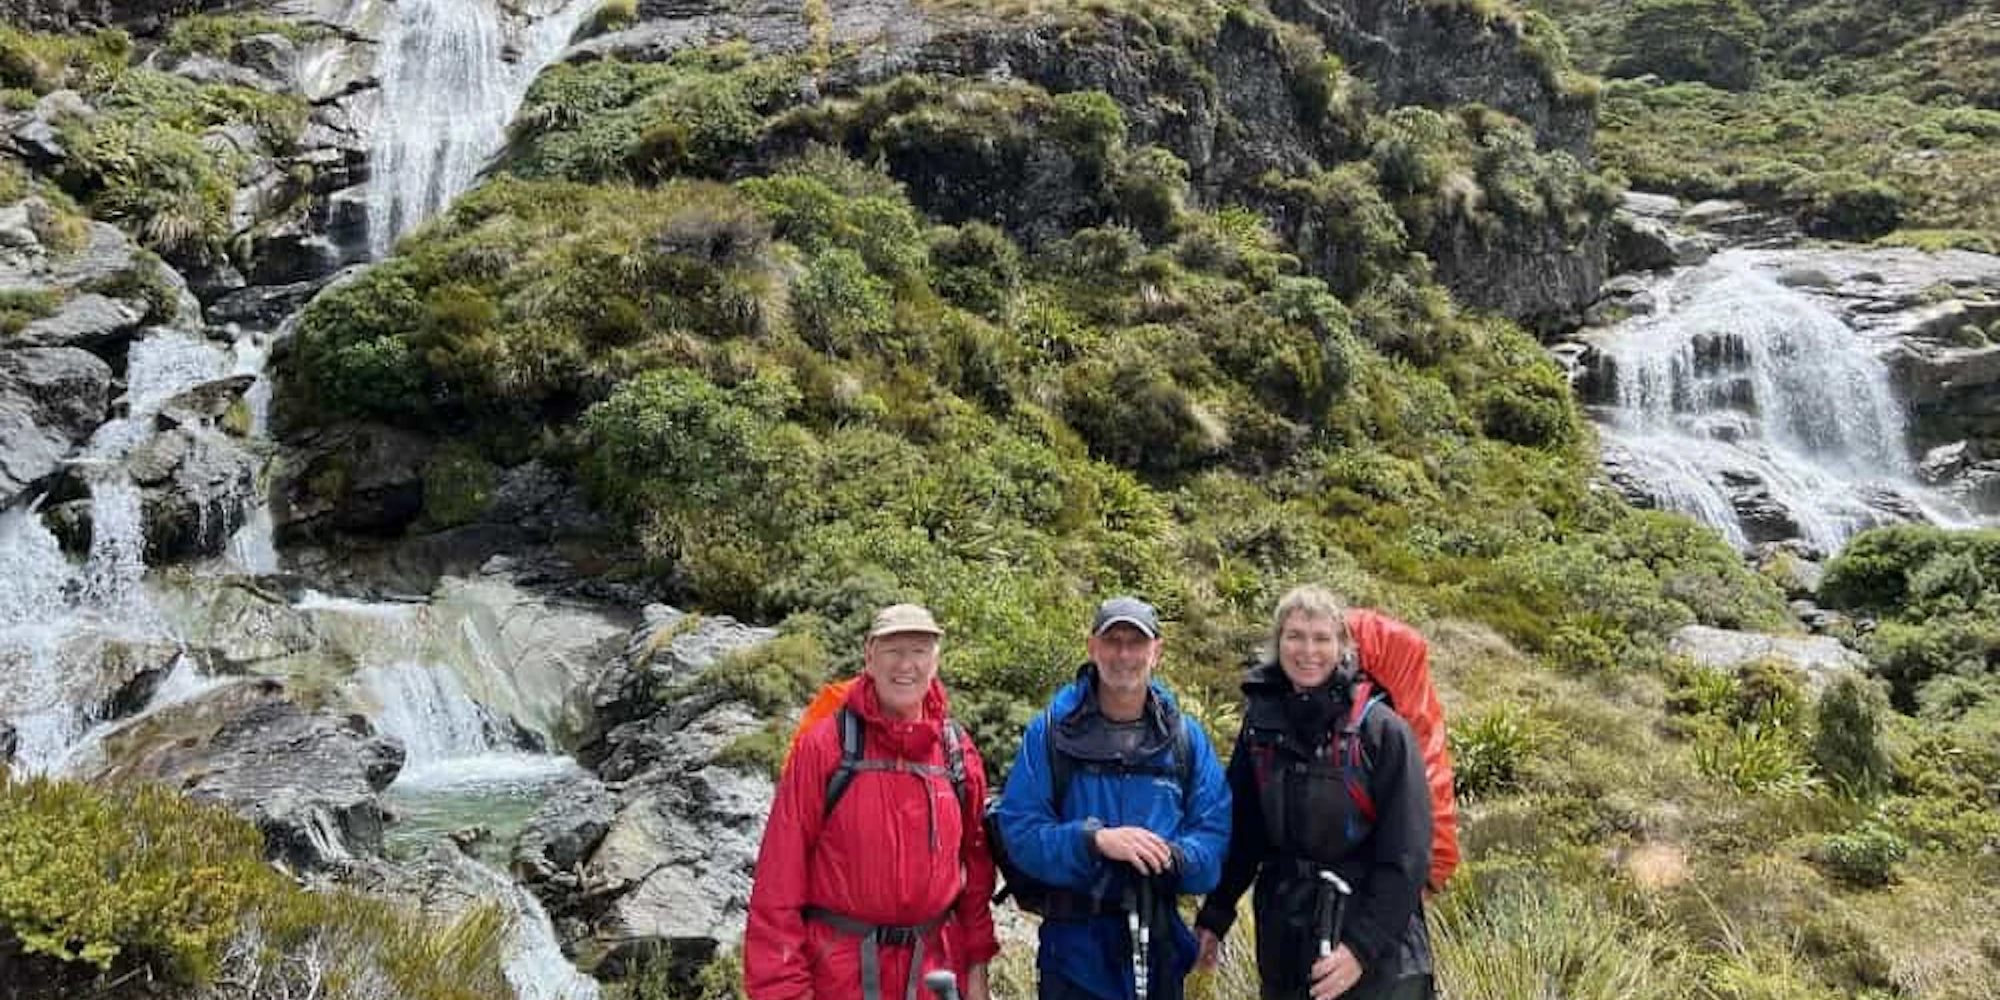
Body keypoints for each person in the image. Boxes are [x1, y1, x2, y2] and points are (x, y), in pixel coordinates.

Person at [745, 604, 999, 1000]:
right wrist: (784, 991)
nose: (906, 665)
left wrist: (976, 968)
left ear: (936, 660)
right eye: (892, 650)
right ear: (869, 656)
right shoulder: (825, 747)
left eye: (918, 650)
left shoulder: (956, 752)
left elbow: (976, 870)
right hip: (838, 977)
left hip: (933, 977)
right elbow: (779, 880)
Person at [1194, 586, 1434, 1000]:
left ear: (1342, 646)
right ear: (1277, 642)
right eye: (1295, 636)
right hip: (1284, 934)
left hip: (1373, 951)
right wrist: (1215, 916)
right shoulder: (1261, 727)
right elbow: (1244, 832)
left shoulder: (1382, 732)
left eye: (1322, 638)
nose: (1308, 650)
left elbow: (1408, 857)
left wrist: (1359, 950)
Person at [994, 596, 1231, 1000]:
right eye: (1113, 640)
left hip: (1159, 947)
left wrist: (1171, 856)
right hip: (1072, 953)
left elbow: (1213, 841)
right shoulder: (1050, 731)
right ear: (1092, 648)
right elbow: (1020, 833)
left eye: (1136, 642)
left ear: (1157, 650)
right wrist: (1094, 840)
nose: (1124, 654)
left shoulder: (1186, 739)